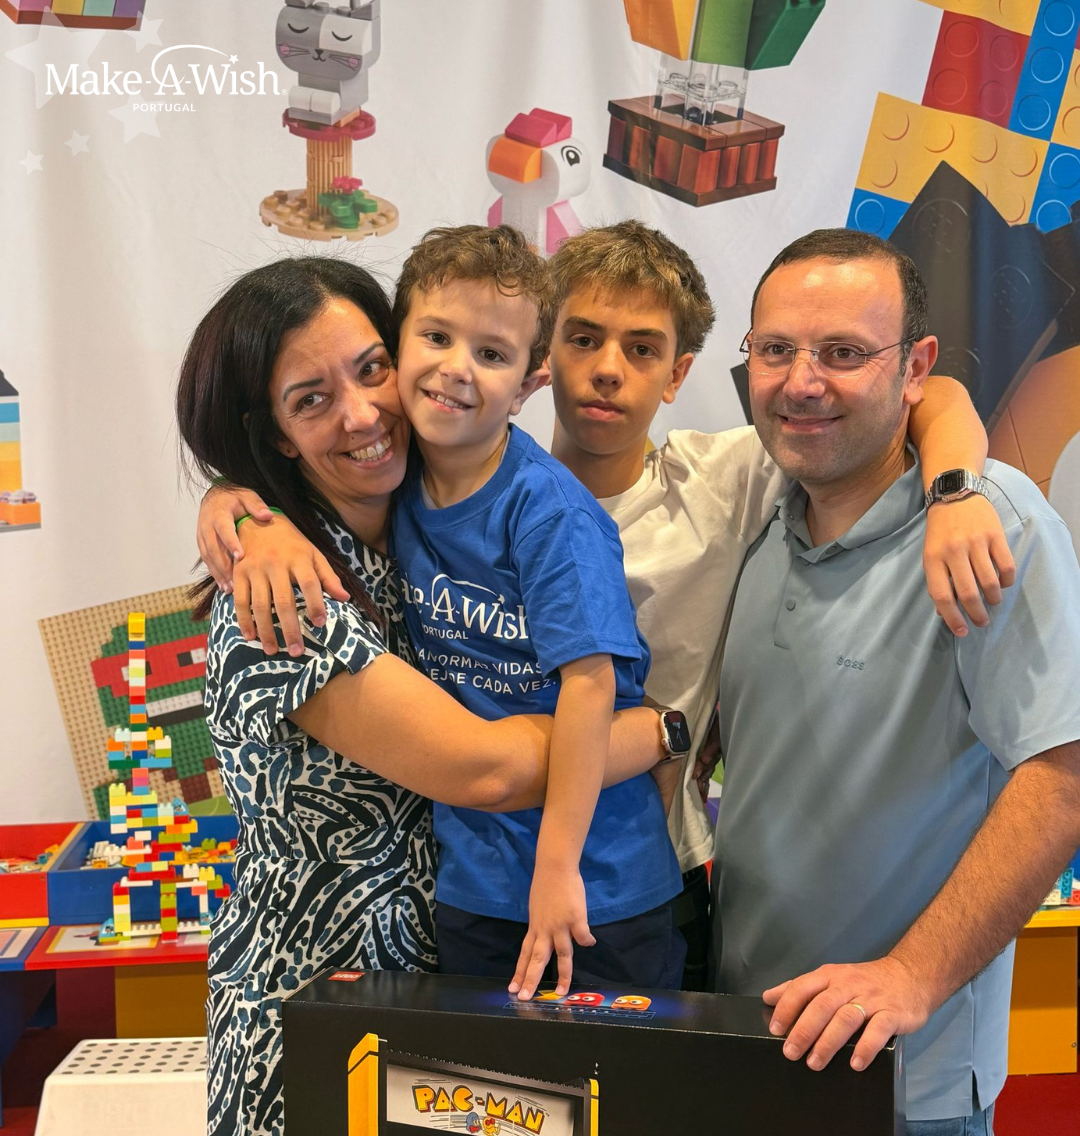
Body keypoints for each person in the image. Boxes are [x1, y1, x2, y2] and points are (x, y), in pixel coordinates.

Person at [199, 222, 1014, 992]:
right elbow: (309, 446)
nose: (609, 369)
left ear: (677, 374)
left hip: (634, 875)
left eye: (643, 348)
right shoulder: (426, 478)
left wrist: (954, 490)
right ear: (545, 358)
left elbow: (926, 393)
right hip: (470, 887)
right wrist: (242, 511)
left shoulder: (721, 480)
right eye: (584, 338)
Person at [176, 255, 676, 1136]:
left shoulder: (405, 527)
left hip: (442, 957)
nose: (364, 413)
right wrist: (658, 732)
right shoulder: (288, 599)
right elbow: (483, 767)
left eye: (369, 370)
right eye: (312, 400)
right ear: (273, 435)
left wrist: (240, 504)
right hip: (323, 997)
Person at [712, 227, 1080, 1136]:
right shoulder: (762, 517)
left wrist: (913, 976)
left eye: (842, 352)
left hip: (904, 1075)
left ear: (915, 368)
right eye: (777, 350)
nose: (802, 382)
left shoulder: (989, 523)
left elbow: (1061, 776)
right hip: (756, 1041)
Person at [389, 224, 683, 1002]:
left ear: (528, 383)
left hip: (597, 888)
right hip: (475, 881)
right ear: (396, 345)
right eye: (437, 336)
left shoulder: (549, 510)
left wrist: (556, 870)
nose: (457, 367)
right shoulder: (392, 478)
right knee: (483, 1080)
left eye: (491, 353)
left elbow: (590, 684)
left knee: (606, 1081)